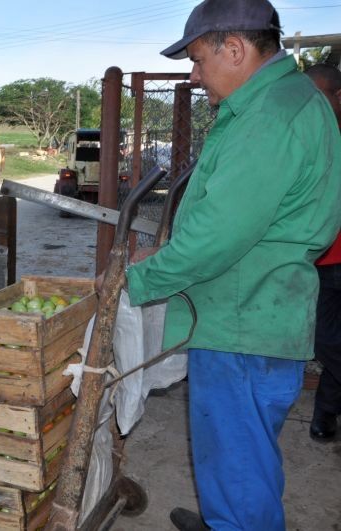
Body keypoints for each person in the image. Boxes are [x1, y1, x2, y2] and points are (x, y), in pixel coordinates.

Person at [122, 1, 341, 530]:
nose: (194, 76)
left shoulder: (268, 117)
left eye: (198, 60)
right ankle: (227, 518)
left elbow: (216, 238)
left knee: (239, 460)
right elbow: (238, 220)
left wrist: (137, 281)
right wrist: (172, 252)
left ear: (236, 49)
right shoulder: (282, 102)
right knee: (240, 454)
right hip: (256, 308)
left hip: (242, 320)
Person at [306, 63, 341, 441]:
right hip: (317, 261)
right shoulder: (311, 136)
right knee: (325, 339)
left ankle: (327, 411)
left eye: (319, 98)